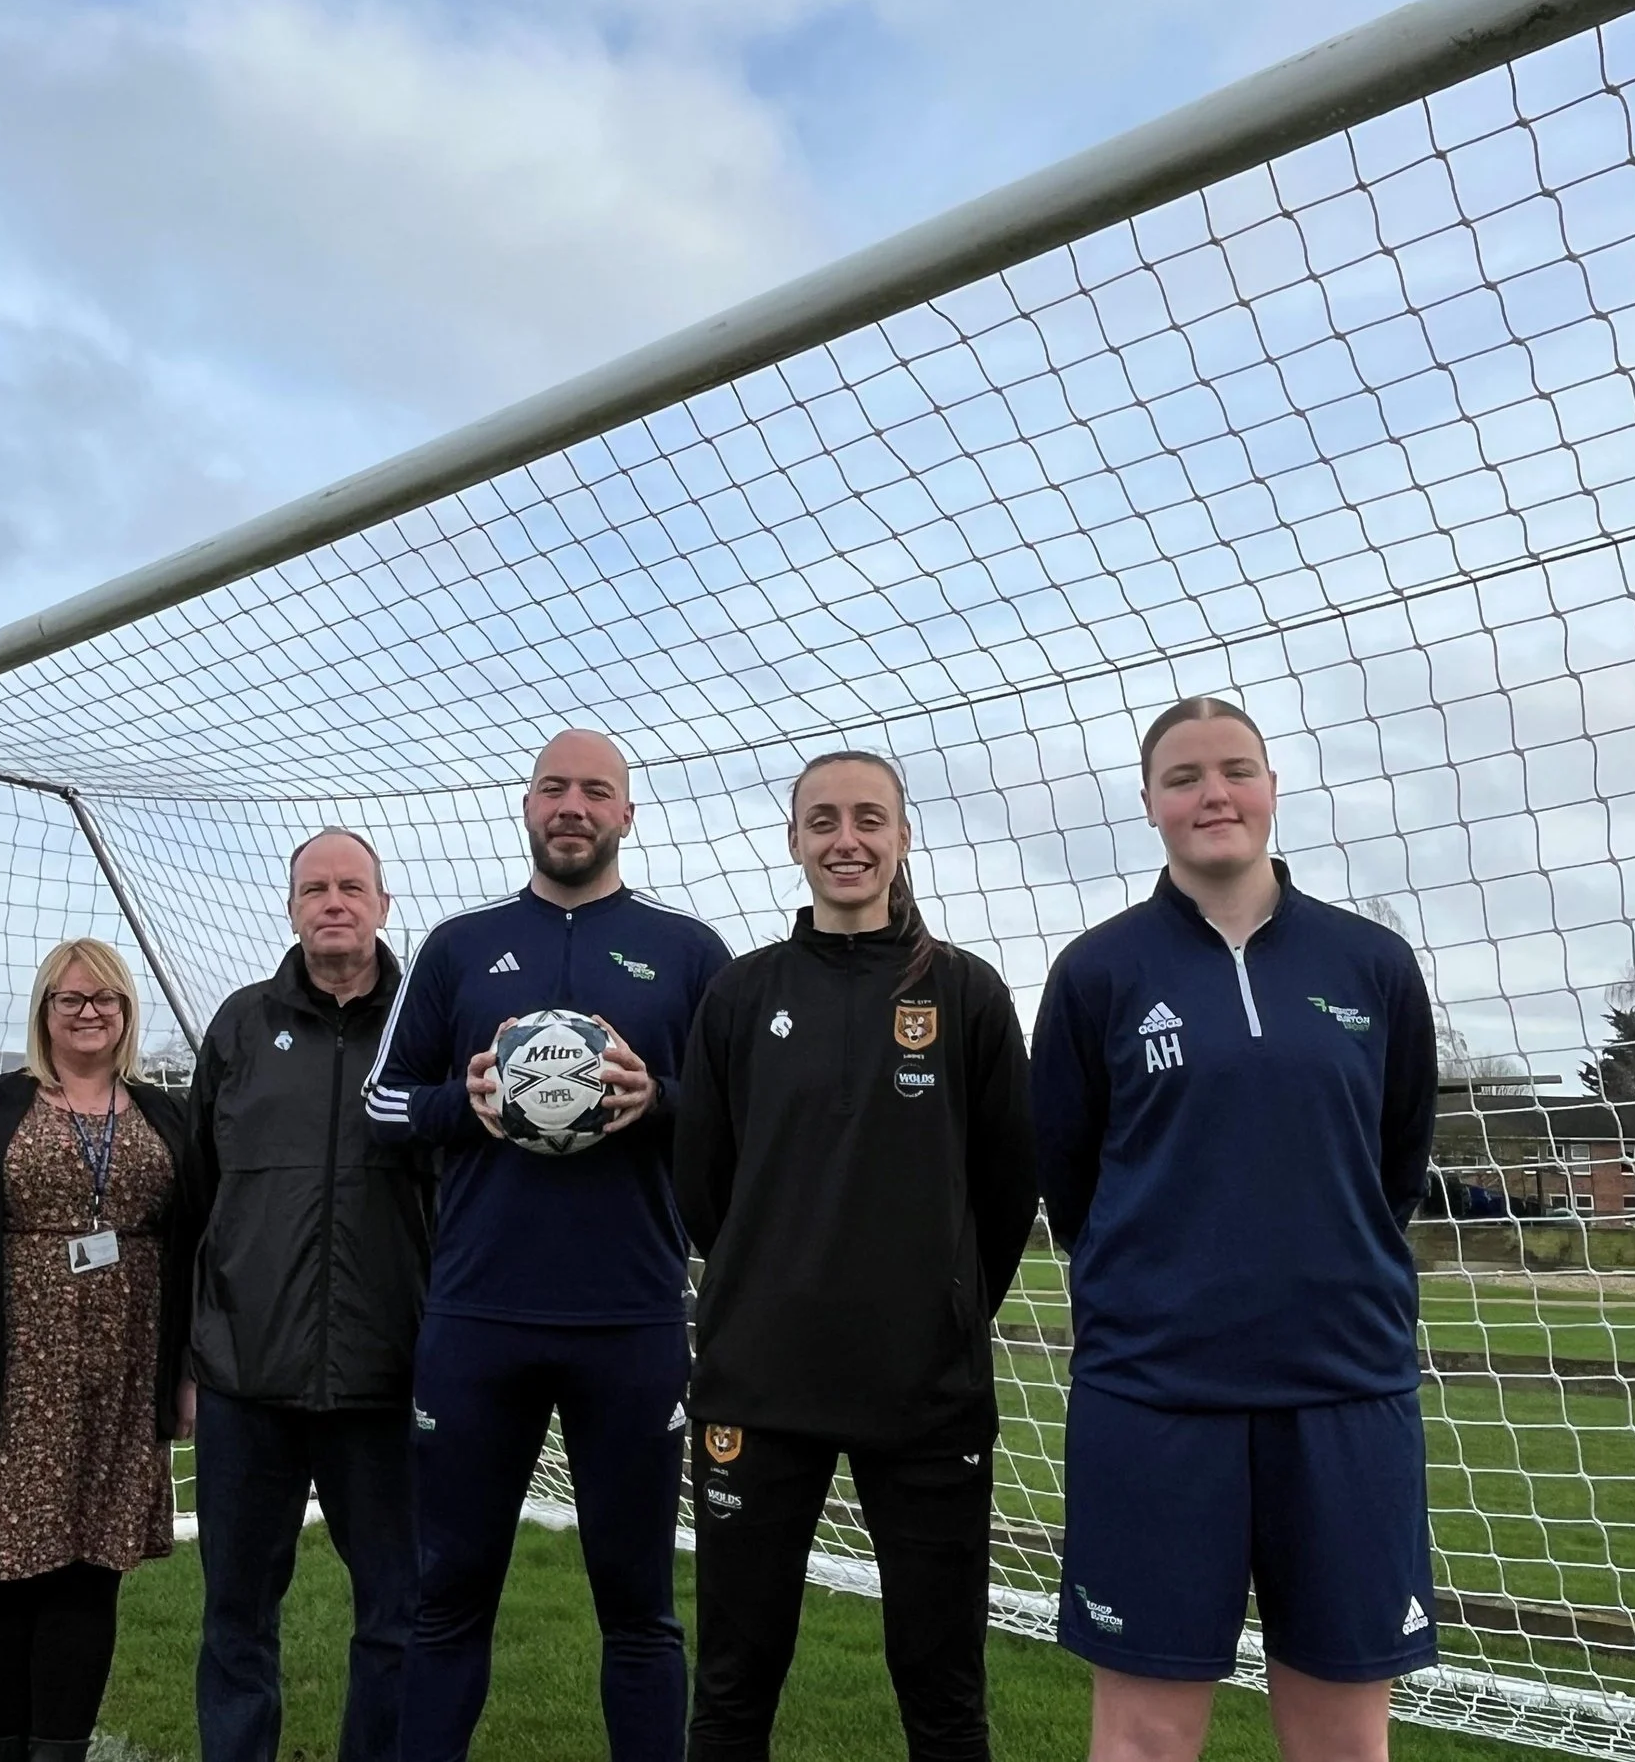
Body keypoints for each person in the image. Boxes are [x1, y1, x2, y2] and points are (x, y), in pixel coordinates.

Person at [1029, 696, 1439, 1762]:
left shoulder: (1372, 965)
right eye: (1184, 777)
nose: (1214, 794)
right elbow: (1071, 1182)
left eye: (1235, 770)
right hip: (1155, 1395)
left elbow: (1393, 1166)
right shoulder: (1097, 973)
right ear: (1149, 804)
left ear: (1270, 788)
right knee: (1146, 1735)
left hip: (1344, 1389)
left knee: (1344, 1737)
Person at [363, 727, 732, 1762]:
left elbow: (746, 1110)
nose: (573, 805)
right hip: (478, 1318)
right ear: (527, 807)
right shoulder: (459, 945)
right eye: (554, 788)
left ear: (627, 814)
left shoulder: (688, 950)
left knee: (640, 1608)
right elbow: (383, 1103)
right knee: (447, 1598)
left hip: (632, 1319)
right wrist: (470, 1102)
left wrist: (659, 1098)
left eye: (596, 791)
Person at [674, 750, 1038, 1762]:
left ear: (902, 837)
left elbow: (1007, 1189)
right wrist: (770, 1285)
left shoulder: (965, 993)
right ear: (793, 839)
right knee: (732, 1689)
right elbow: (703, 1186)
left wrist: (940, 1306)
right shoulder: (741, 994)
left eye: (869, 819)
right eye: (824, 820)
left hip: (924, 1392)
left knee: (944, 1693)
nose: (847, 840)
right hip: (758, 1386)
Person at [0, 936, 199, 1762]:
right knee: (4, 1578)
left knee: (92, 1577)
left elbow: (196, 1248)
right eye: (71, 998)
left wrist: (187, 1374)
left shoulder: (166, 1115)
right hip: (11, 1375)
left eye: (105, 998)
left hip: (123, 1375)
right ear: (45, 1011)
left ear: (126, 1010)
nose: (89, 1011)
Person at [185, 828, 430, 1762]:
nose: (334, 901)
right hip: (246, 1379)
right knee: (236, 1615)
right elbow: (199, 1198)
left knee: (399, 1613)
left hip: (388, 1380)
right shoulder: (240, 1026)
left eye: (351, 887)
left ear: (382, 905)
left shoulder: (427, 1026)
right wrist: (191, 1355)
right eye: (315, 888)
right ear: (291, 908)